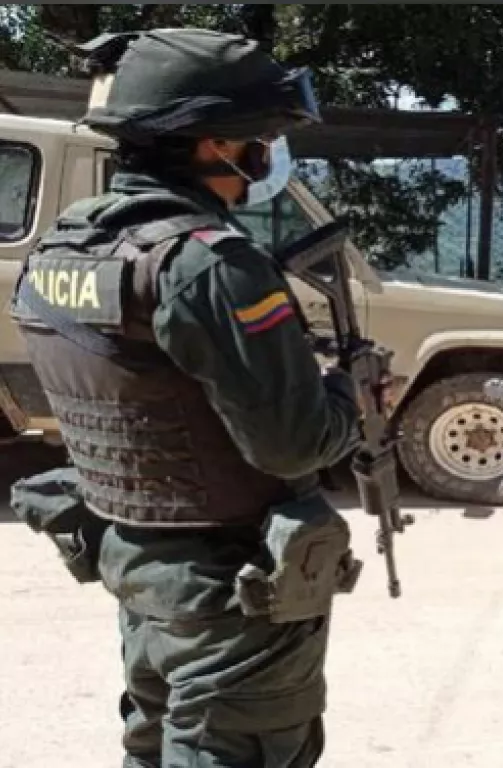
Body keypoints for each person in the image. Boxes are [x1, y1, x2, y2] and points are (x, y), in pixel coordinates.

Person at [7, 28, 362, 765]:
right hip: (232, 588)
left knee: (156, 742)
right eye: (258, 137)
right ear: (211, 144)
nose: (265, 153)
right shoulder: (208, 264)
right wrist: (348, 403)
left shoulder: (61, 251)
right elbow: (295, 441)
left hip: (137, 564)